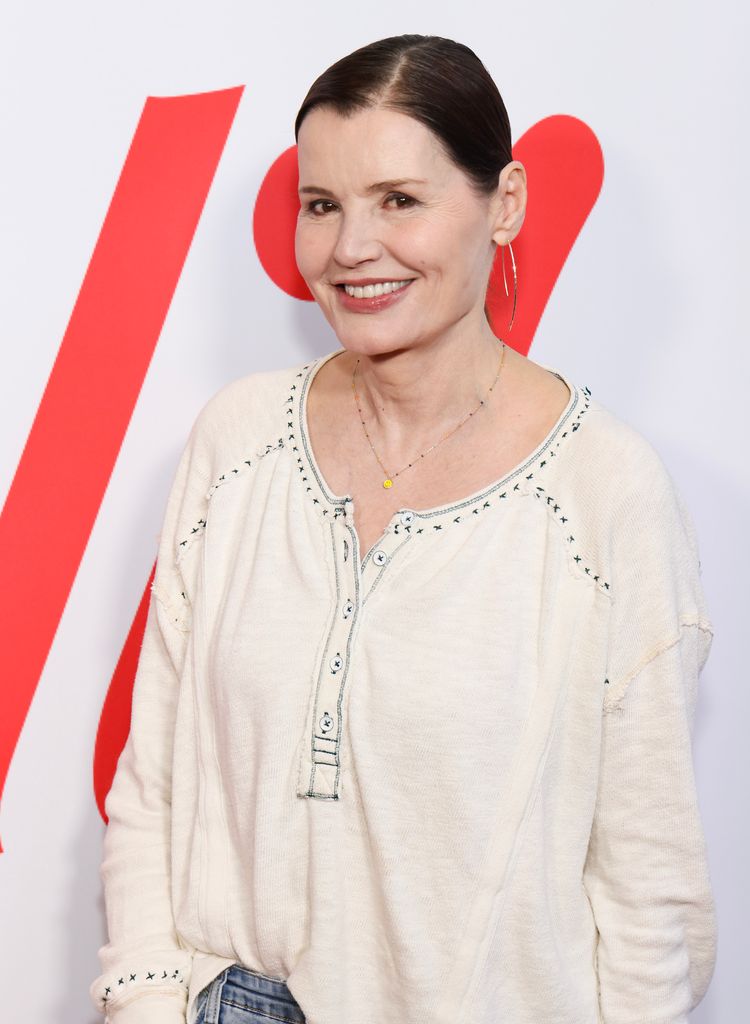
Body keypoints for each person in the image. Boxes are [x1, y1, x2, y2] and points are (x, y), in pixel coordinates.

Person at [89, 34, 717, 1024]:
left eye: (400, 200)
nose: (350, 248)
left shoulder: (608, 494)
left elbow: (649, 889)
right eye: (323, 204)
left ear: (503, 204)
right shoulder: (238, 442)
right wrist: (145, 997)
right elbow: (155, 782)